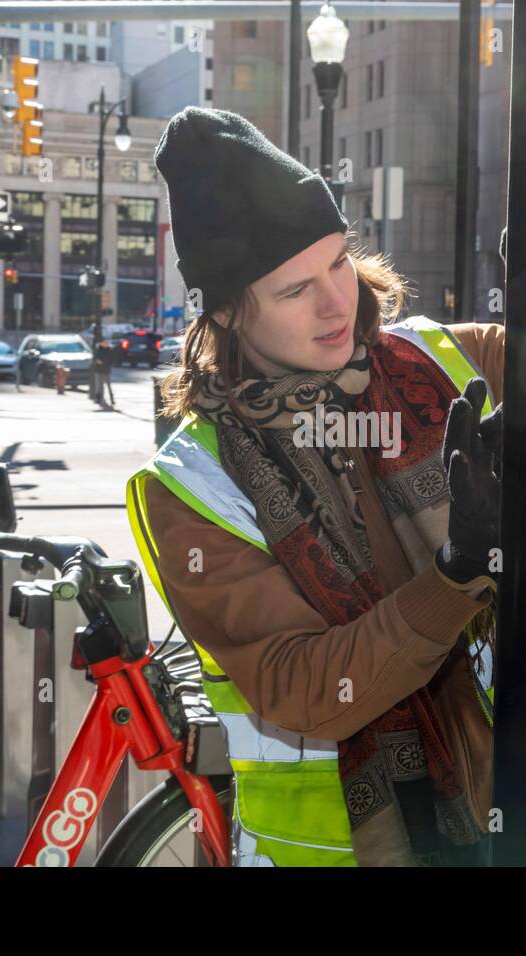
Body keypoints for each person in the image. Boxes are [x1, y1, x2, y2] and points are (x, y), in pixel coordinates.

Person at [126, 107, 504, 867]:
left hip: (518, 805)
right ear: (228, 310)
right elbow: (303, 687)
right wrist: (458, 575)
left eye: (339, 262)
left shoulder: (435, 359)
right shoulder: (192, 484)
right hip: (348, 846)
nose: (339, 304)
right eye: (297, 289)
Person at [93, 336, 118, 407]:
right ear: (101, 343)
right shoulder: (98, 350)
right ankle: (99, 398)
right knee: (99, 385)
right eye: (104, 342)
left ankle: (112, 399)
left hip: (107, 370)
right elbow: (94, 358)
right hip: (98, 370)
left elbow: (112, 360)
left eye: (107, 342)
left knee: (108, 385)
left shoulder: (110, 350)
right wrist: (97, 361)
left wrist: (104, 363)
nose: (106, 343)